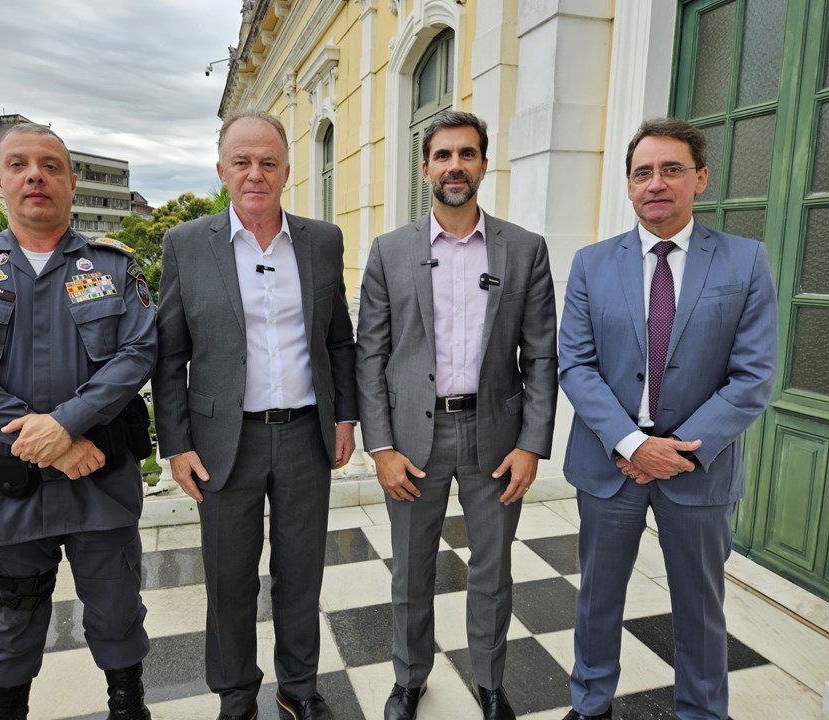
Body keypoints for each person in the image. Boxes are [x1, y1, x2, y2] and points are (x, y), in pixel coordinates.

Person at [0, 123, 157, 719]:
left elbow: (138, 352)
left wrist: (69, 423)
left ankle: (127, 709)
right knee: (14, 619)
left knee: (117, 611)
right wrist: (51, 440)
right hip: (13, 487)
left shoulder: (112, 268)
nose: (36, 175)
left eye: (51, 165)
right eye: (20, 164)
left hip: (101, 481)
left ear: (71, 182)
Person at [557, 118, 778, 720]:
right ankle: (590, 702)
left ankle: (703, 711)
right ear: (629, 187)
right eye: (643, 172)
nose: (656, 183)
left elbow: (753, 376)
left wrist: (672, 450)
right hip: (612, 465)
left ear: (699, 179)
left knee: (700, 606)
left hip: (698, 467)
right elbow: (575, 365)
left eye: (671, 169)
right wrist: (631, 443)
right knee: (598, 598)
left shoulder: (745, 262)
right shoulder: (591, 264)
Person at [152, 109, 357, 720]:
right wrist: (176, 443)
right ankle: (236, 698)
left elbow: (339, 340)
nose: (255, 174)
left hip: (304, 438)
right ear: (221, 170)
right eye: (241, 162)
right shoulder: (186, 244)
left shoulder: (322, 241)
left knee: (301, 577)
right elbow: (170, 353)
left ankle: (299, 691)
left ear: (287, 171)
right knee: (229, 581)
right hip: (223, 443)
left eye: (268, 162)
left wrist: (345, 417)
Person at [356, 110, 558, 720]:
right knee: (411, 572)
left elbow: (542, 355)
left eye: (466, 154)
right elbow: (371, 354)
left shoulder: (523, 250)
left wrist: (532, 443)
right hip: (415, 437)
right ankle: (409, 679)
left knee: (493, 571)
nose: (454, 167)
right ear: (426, 169)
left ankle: (490, 684)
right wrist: (381, 446)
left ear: (483, 165)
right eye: (443, 156)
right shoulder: (390, 251)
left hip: (496, 436)